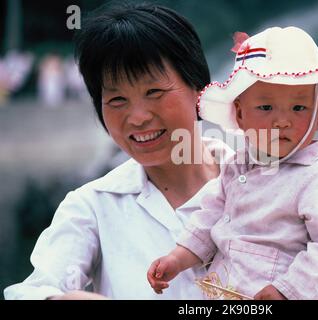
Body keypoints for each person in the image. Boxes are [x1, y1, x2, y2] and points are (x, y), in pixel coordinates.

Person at [3, 2, 232, 300]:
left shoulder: (269, 185)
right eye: (117, 99)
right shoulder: (93, 207)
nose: (137, 117)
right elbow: (31, 292)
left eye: (154, 92)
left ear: (199, 87)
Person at [148, 27, 318, 300]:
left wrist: (288, 291)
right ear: (239, 114)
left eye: (299, 108)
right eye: (266, 108)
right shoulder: (236, 165)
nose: (282, 121)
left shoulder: (316, 180)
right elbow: (209, 218)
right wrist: (178, 259)